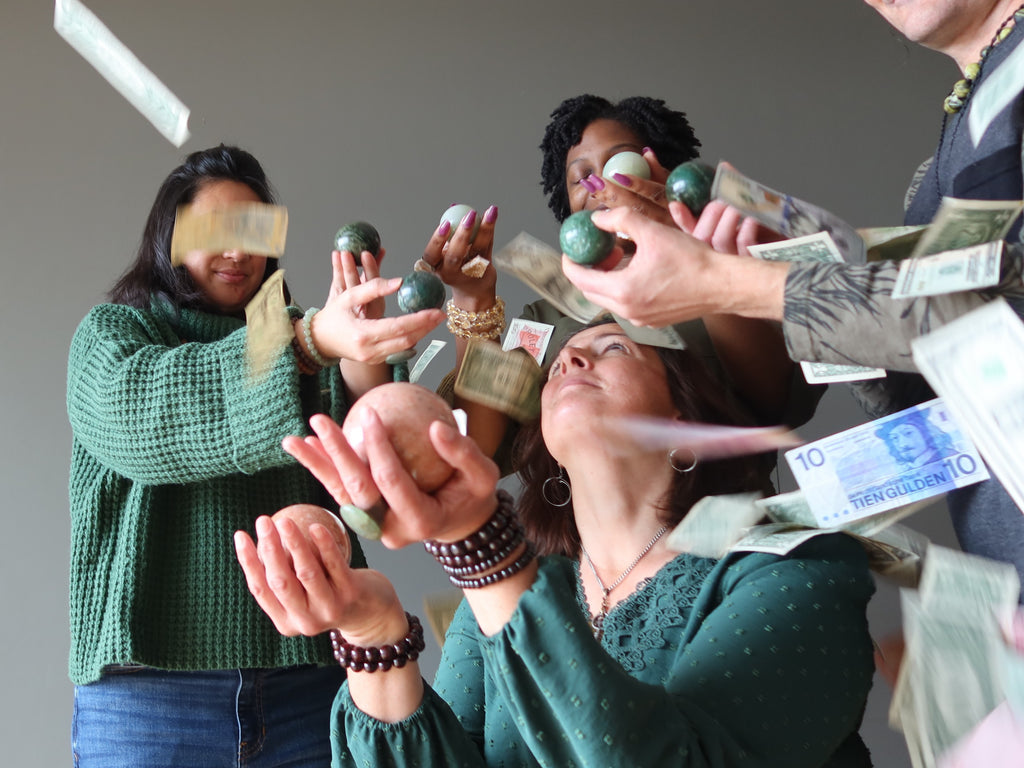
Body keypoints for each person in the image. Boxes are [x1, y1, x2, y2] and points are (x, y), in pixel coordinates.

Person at [235, 320, 877, 767]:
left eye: (615, 349)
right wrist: (375, 634)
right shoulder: (509, 593)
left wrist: (480, 545)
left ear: (685, 417)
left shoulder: (798, 572)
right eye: (564, 356)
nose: (570, 360)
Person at [562, 1, 1024, 596]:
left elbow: (996, 322)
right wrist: (801, 263)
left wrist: (731, 285)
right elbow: (925, 392)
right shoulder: (941, 165)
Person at [66, 144, 444, 766]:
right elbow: (145, 423)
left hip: (311, 686)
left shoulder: (306, 343)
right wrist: (314, 339)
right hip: (150, 698)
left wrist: (363, 351)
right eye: (214, 231)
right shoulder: (113, 335)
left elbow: (375, 466)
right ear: (168, 238)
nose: (238, 251)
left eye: (254, 231)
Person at [423, 94, 815, 462]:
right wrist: (473, 298)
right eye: (581, 177)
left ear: (666, 173)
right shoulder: (544, 315)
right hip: (584, 532)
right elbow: (480, 444)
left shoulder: (730, 267)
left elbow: (773, 406)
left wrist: (700, 266)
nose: (602, 187)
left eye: (620, 165)